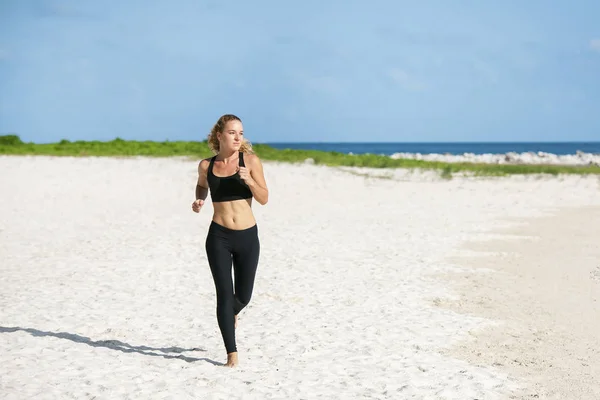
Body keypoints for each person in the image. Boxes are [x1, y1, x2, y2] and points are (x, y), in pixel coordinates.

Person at [191, 114, 269, 368]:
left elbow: (264, 198)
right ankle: (231, 353)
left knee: (243, 296)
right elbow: (202, 185)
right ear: (219, 136)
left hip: (247, 236)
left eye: (241, 133)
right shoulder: (206, 165)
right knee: (224, 295)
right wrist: (200, 199)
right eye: (233, 132)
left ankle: (232, 313)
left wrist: (248, 180)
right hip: (219, 236)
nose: (238, 137)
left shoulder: (251, 161)